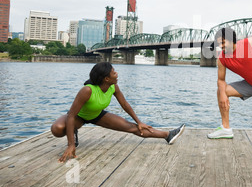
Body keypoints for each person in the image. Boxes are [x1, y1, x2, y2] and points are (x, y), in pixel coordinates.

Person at [51, 62, 185, 163]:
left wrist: (139, 122)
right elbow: (72, 115)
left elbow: (125, 105)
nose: (117, 74)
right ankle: (73, 133)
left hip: (97, 115)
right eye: (114, 72)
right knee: (57, 129)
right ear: (106, 78)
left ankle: (167, 135)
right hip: (79, 117)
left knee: (132, 127)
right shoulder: (87, 90)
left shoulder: (113, 86)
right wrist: (71, 145)